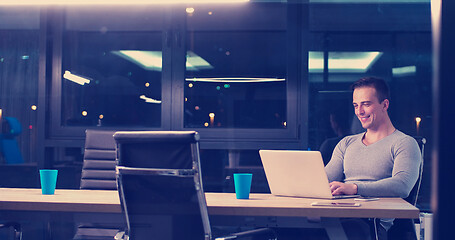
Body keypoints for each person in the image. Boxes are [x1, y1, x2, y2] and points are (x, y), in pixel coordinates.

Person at [325, 77, 421, 240]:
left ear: (385, 105)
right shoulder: (347, 143)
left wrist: (355, 188)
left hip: (372, 223)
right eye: (356, 105)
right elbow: (324, 180)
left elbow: (402, 185)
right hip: (340, 212)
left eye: (366, 104)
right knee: (296, 225)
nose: (359, 111)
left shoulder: (405, 143)